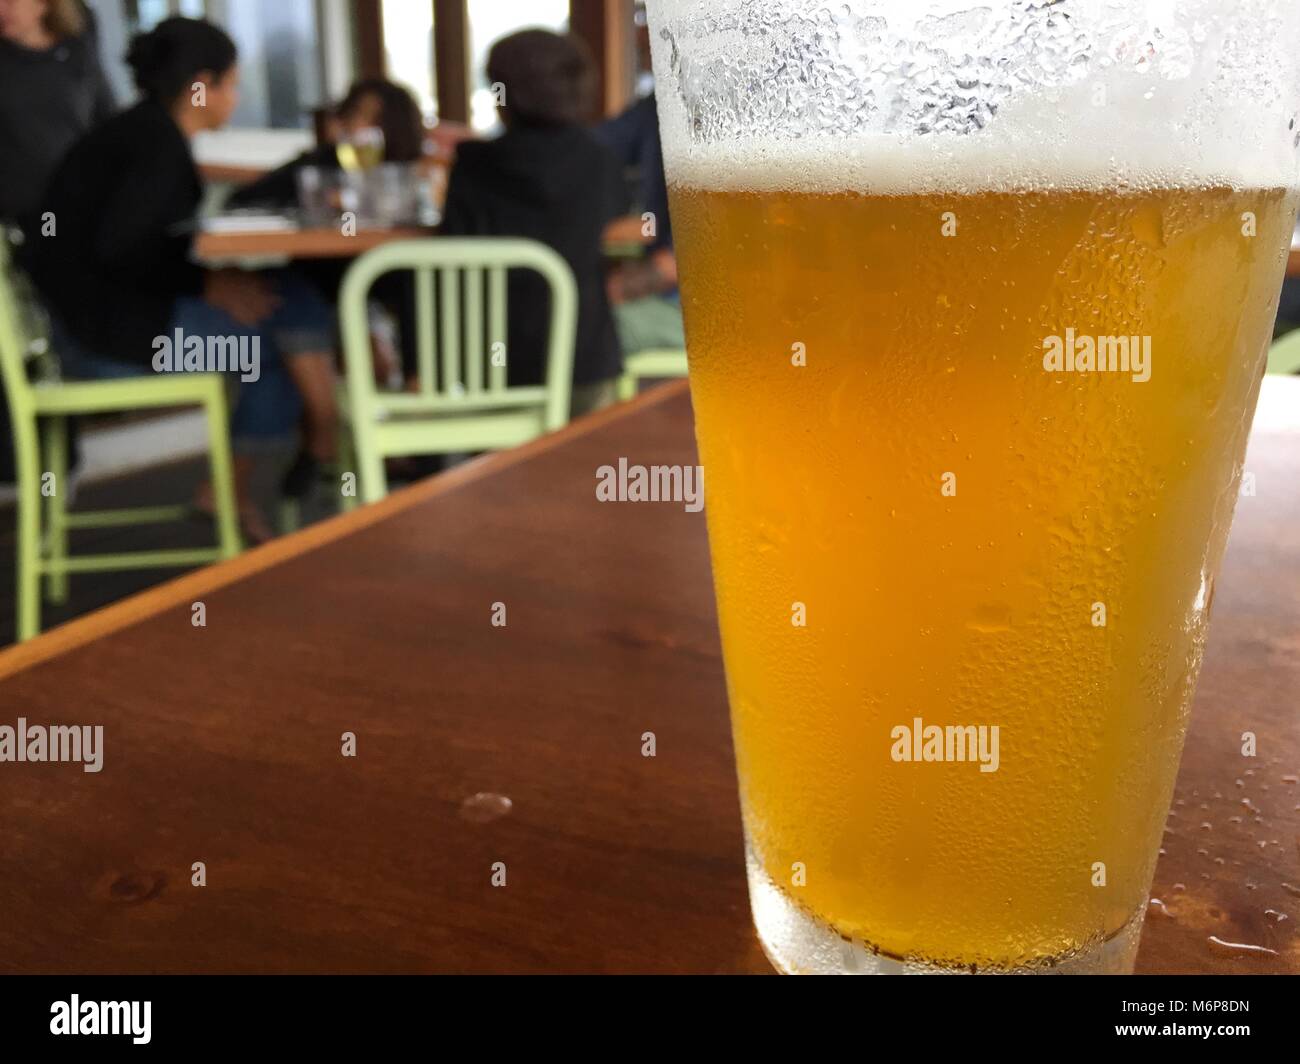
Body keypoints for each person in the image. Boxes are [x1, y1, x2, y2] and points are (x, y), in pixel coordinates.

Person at [22, 17, 337, 542]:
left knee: (287, 299)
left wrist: (211, 282)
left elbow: (132, 247)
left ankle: (310, 443)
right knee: (271, 348)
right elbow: (122, 250)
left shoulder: (139, 134)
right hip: (100, 348)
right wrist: (207, 285)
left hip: (90, 328)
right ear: (201, 87)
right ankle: (288, 457)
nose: (235, 98)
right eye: (232, 85)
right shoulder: (153, 148)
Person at [440, 29, 626, 416]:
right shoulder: (598, 159)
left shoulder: (474, 165)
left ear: (504, 96)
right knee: (585, 463)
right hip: (583, 356)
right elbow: (620, 215)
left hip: (493, 365)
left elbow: (450, 252)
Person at [226, 78, 426, 210]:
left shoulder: (418, 177)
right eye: (356, 115)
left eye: (376, 121)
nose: (363, 129)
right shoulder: (322, 165)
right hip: (319, 267)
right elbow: (244, 199)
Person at [0, 0, 114, 224]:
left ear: (44, 4)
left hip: (79, 199)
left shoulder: (79, 43)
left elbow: (104, 112)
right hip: (18, 211)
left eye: (11, 1)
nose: (1, 9)